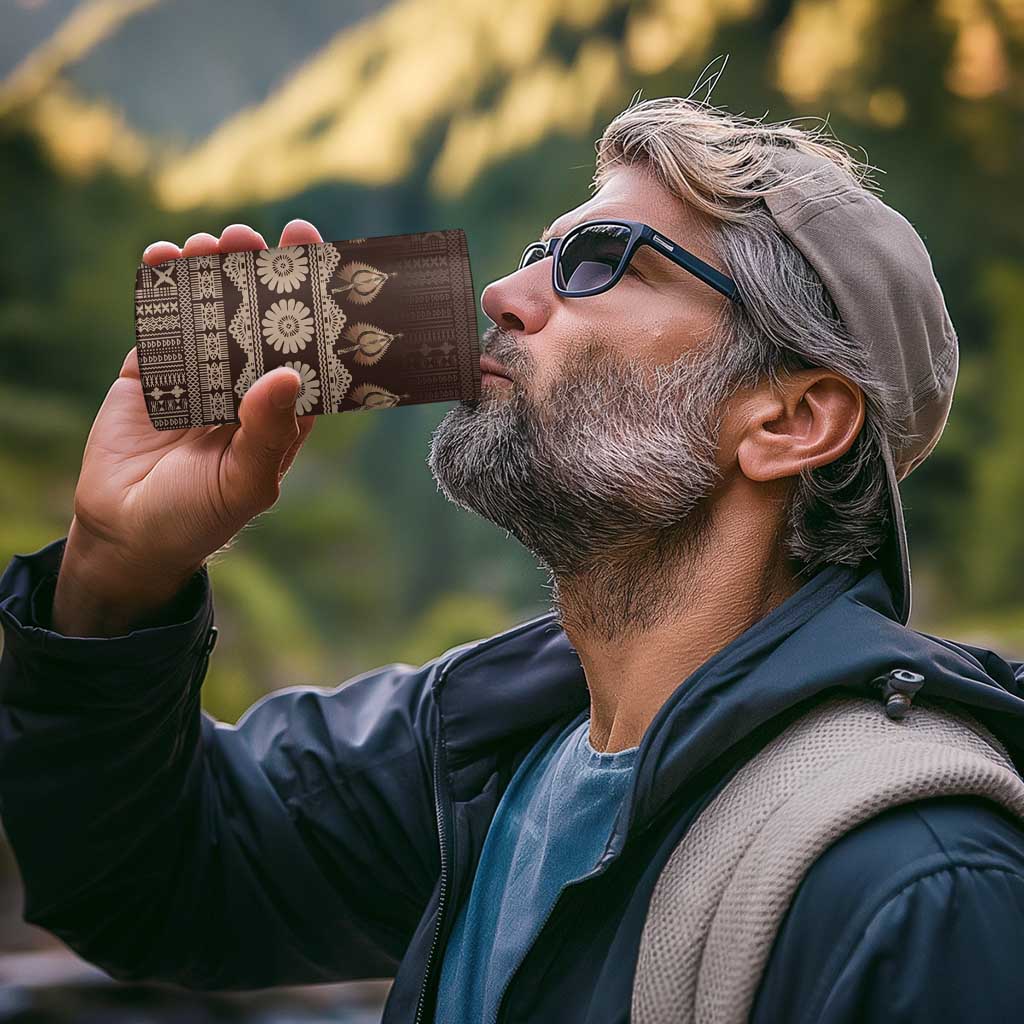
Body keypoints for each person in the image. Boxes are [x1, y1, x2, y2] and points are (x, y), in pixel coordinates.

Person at [2, 94, 1024, 1024]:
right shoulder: (479, 749)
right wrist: (116, 571)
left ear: (790, 419)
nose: (502, 292)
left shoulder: (918, 885)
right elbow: (149, 880)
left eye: (600, 261)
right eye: (540, 252)